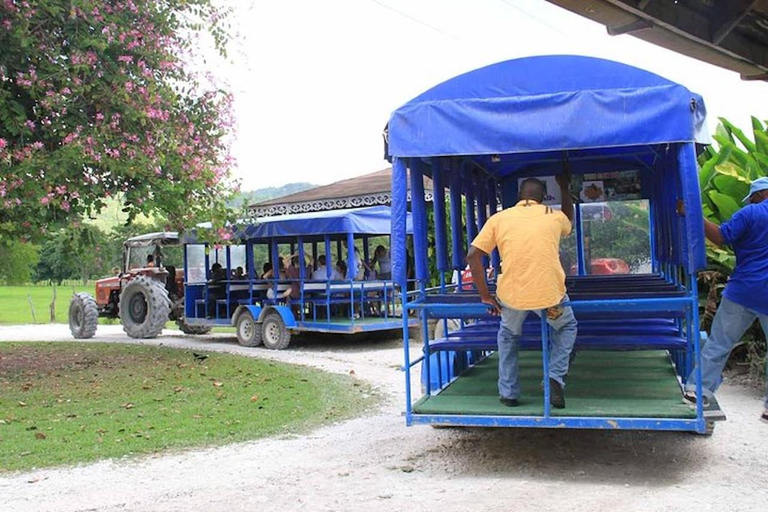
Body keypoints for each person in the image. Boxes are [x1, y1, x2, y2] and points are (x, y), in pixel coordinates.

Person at [468, 174, 577, 409]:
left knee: (508, 338)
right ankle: (555, 377)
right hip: (549, 296)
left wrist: (485, 295)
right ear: (542, 199)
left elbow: (473, 255)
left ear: (519, 197)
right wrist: (564, 187)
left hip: (512, 297)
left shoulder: (500, 218)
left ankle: (509, 392)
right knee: (566, 326)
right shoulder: (554, 216)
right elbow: (570, 219)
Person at [685, 177, 768, 422]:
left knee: (719, 342)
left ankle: (698, 391)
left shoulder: (751, 213)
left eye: (752, 197)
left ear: (760, 194)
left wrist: (693, 215)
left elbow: (721, 237)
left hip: (744, 290)